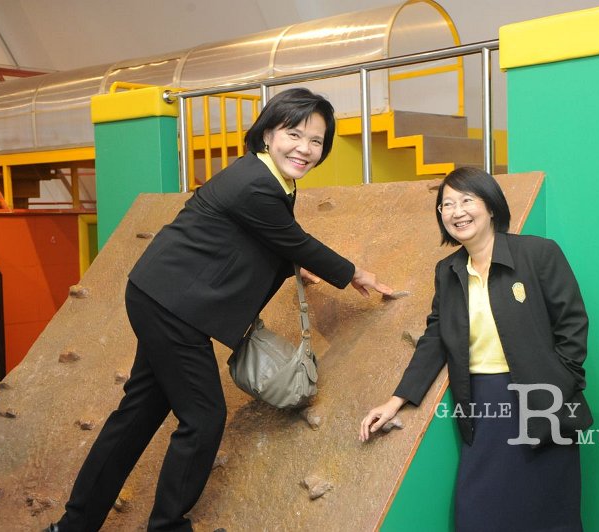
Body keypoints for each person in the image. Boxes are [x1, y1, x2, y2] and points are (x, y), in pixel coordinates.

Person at [48, 88, 392, 532]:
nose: (305, 149)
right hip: (172, 305)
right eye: (294, 134)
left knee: (137, 415)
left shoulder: (268, 177)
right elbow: (292, 239)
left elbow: (261, 237)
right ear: (268, 134)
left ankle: (73, 526)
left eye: (316, 141)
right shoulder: (255, 182)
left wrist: (292, 266)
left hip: (163, 296)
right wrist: (354, 273)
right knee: (204, 417)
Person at [360, 167, 592, 532]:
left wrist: (559, 383)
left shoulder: (538, 253)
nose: (457, 211)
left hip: (543, 401)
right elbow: (436, 337)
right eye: (447, 204)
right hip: (482, 401)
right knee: (478, 513)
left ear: (491, 206)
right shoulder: (448, 270)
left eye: (467, 200)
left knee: (550, 514)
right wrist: (395, 401)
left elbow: (572, 323)